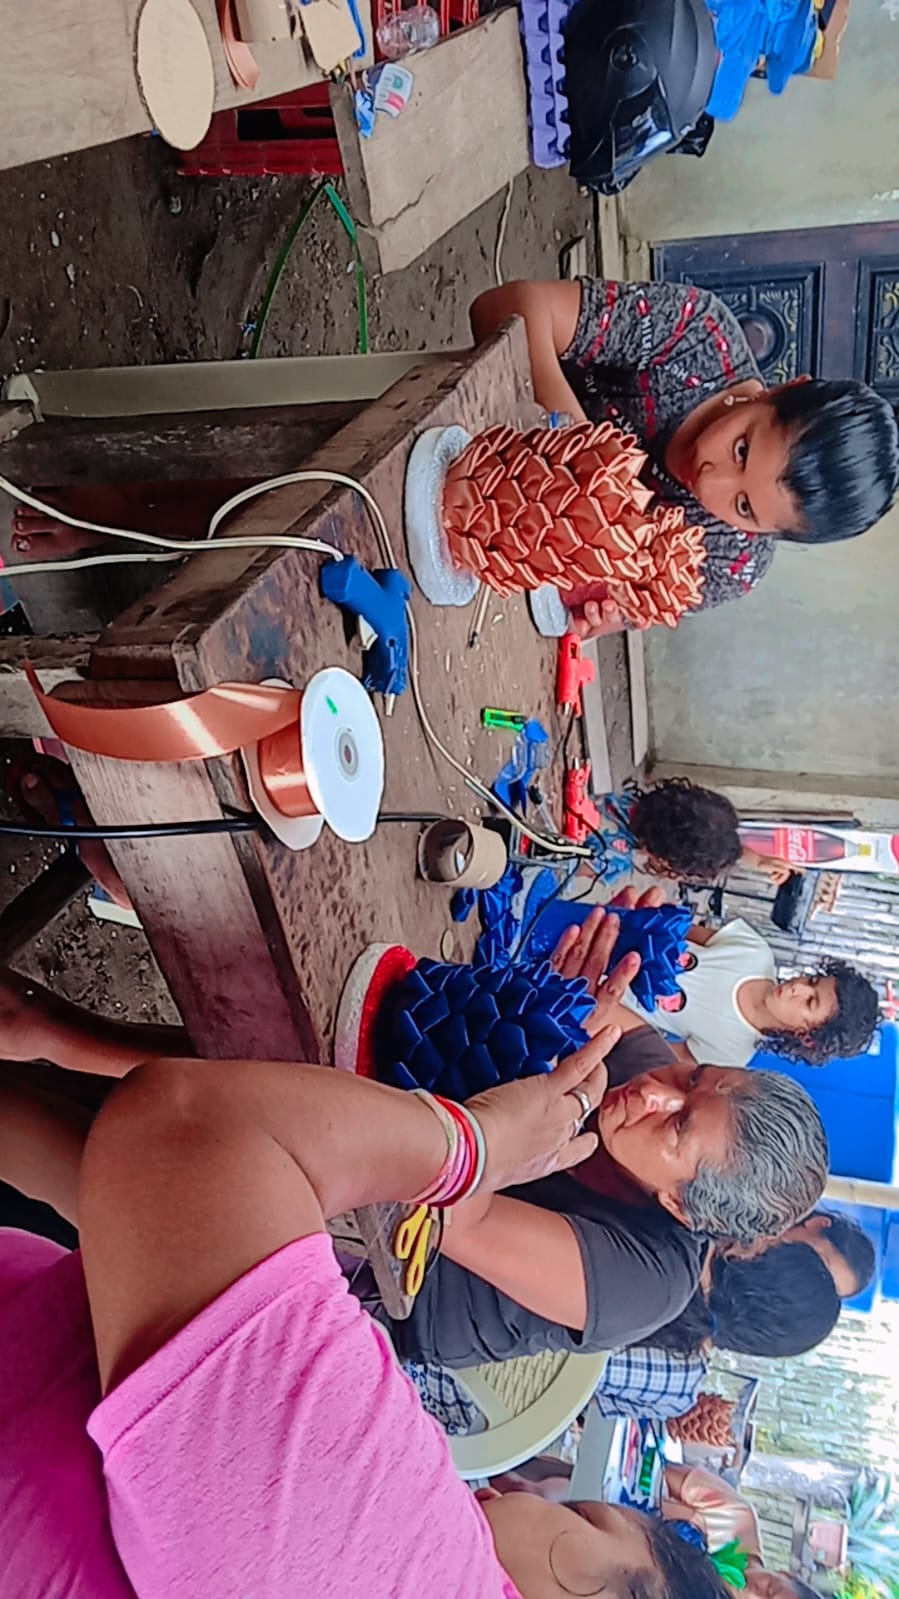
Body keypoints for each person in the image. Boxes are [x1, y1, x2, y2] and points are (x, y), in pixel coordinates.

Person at [2, 1025, 736, 1599]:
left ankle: (40, 1034)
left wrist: (475, 1146)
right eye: (690, 1076)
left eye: (577, 1511)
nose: (519, 1484)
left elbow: (188, 1129)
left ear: (682, 1206)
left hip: (386, 1284)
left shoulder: (408, 1562)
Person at [0, 911, 829, 1372]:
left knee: (139, 1159)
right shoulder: (645, 1078)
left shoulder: (642, 1283)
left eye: (677, 1124)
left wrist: (511, 1131)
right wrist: (564, 988)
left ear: (681, 1203)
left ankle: (42, 1069)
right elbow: (591, 1012)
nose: (655, 1091)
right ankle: (47, 1036)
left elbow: (459, 1213)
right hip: (403, 1137)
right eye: (694, 1075)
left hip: (372, 1273)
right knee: (257, 1079)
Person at [470, 278, 899, 638]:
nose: (710, 480)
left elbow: (596, 615)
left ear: (768, 533)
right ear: (783, 390)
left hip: (484, 559)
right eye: (742, 449)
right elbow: (504, 306)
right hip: (470, 429)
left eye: (743, 508)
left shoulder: (734, 560)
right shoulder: (697, 336)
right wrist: (578, 446)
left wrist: (599, 607)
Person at [616, 914, 879, 1068]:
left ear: (808, 1037)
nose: (797, 987)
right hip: (610, 933)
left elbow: (648, 1051)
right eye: (812, 981)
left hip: (600, 996)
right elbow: (673, 927)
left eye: (810, 1002)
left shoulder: (732, 1053)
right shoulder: (755, 951)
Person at [597, 775, 801, 885]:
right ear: (669, 861)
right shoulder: (612, 860)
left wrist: (757, 860)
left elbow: (701, 831)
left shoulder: (624, 802)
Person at [662, 1464, 825, 1599]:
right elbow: (657, 1470)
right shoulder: (737, 1515)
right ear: (785, 1574)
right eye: (769, 1589)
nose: (754, 1595)